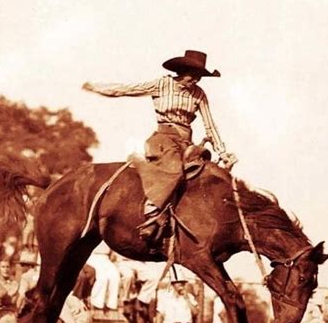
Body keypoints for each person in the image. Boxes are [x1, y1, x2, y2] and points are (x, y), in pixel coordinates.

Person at [83, 50, 237, 239]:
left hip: (186, 143)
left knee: (207, 175)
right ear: (182, 70)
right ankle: (152, 213)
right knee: (174, 171)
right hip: (164, 140)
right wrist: (96, 88)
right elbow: (127, 89)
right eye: (193, 75)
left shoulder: (199, 94)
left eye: (199, 77)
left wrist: (222, 152)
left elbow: (209, 123)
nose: (196, 80)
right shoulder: (162, 84)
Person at [87, 244, 120, 312]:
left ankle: (111, 304)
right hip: (92, 257)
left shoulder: (109, 234)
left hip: (105, 258)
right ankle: (96, 303)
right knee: (102, 278)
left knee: (115, 276)